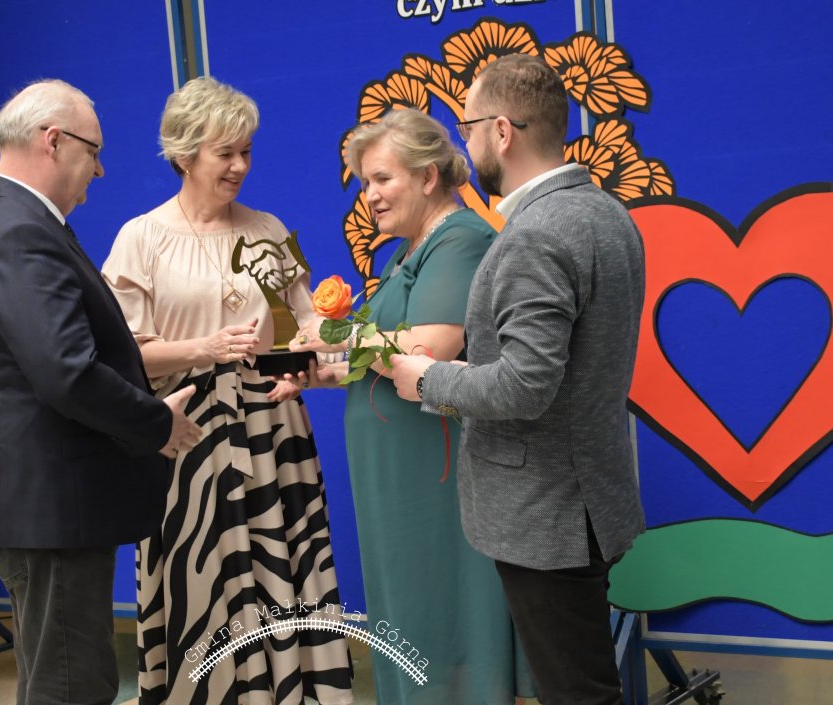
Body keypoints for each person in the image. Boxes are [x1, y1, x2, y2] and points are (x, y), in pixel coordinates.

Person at [390, 54, 647, 705]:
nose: (465, 143)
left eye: (469, 126)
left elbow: (525, 387)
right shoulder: (607, 213)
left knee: (579, 694)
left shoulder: (535, 235)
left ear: (501, 131)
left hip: (548, 514)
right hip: (587, 501)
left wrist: (430, 380)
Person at [100, 76, 353, 705]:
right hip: (186, 435)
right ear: (185, 154)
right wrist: (204, 349)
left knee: (281, 571)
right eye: (225, 153)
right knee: (201, 575)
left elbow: (305, 323)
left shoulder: (268, 228)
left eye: (246, 151)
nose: (240, 165)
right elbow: (123, 356)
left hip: (273, 432)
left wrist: (330, 333)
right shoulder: (142, 237)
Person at [0, 79, 202, 705]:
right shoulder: (21, 232)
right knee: (72, 685)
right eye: (94, 151)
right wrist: (156, 423)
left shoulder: (10, 220)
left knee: (57, 678)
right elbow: (66, 372)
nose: (100, 168)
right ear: (54, 141)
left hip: (40, 504)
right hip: (49, 507)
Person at [288, 108, 535, 705]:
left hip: (436, 475)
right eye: (365, 182)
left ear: (428, 177)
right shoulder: (408, 251)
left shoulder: (461, 239)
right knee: (412, 609)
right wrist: (325, 374)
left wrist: (338, 334)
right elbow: (384, 358)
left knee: (442, 609)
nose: (370, 196)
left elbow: (429, 350)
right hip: (401, 477)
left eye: (382, 179)